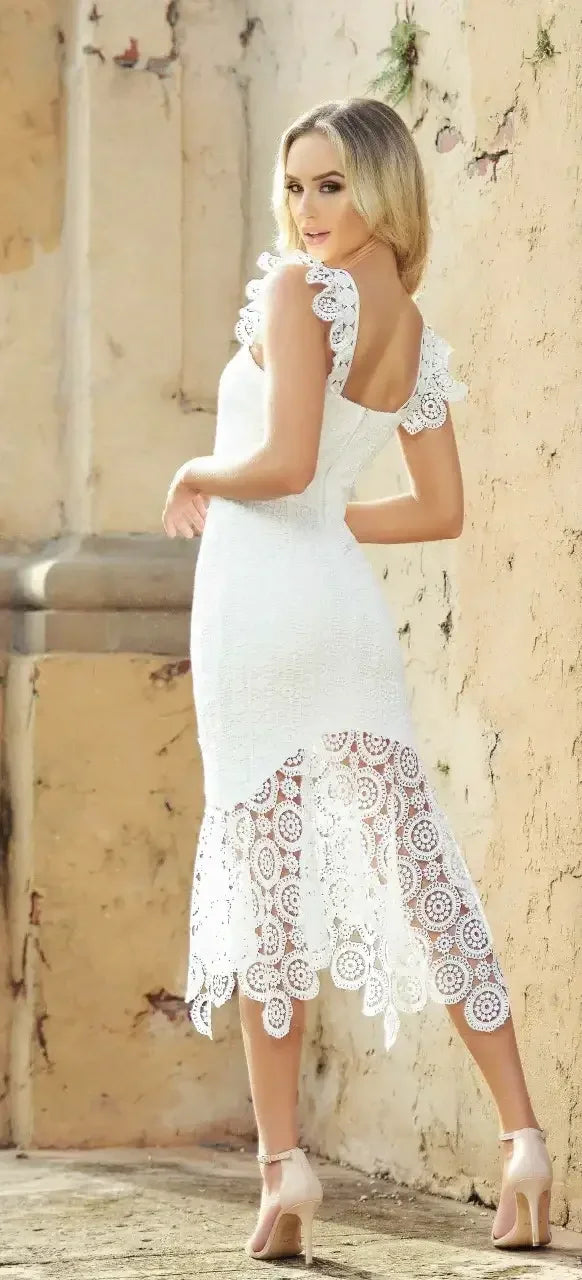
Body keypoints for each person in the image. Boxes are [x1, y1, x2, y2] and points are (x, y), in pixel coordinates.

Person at [162, 97, 553, 1265]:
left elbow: (284, 460)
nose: (307, 210)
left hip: (257, 612)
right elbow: (439, 508)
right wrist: (328, 518)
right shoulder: (413, 331)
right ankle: (524, 1138)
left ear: (382, 186)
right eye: (296, 187)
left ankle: (285, 1168)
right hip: (339, 612)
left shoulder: (298, 291)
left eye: (331, 183)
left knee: (267, 882)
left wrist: (199, 468)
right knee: (423, 867)